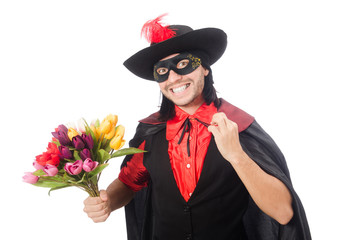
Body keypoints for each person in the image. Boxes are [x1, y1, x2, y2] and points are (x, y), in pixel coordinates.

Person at [83, 15, 311, 240]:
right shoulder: (150, 132)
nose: (173, 78)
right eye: (162, 71)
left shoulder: (237, 125)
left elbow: (283, 213)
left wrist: (236, 156)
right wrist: (108, 202)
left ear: (204, 68)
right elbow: (129, 183)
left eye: (182, 64)